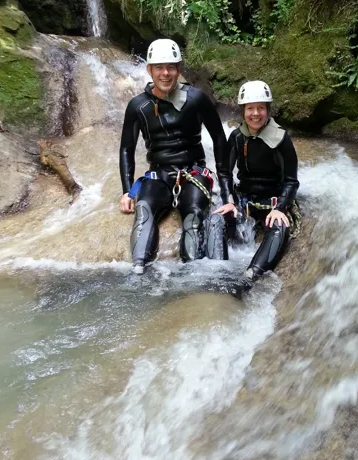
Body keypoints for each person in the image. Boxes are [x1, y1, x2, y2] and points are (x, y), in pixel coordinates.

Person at [119, 38, 232, 274]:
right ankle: (138, 272)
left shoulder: (196, 99)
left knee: (193, 216)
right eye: (159, 67)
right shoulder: (138, 106)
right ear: (149, 70)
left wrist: (226, 190)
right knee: (144, 210)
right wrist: (127, 190)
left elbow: (220, 138)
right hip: (158, 174)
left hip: (192, 173)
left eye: (171, 67)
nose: (165, 73)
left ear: (179, 69)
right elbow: (127, 148)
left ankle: (192, 277)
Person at [214, 80, 300, 280]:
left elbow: (291, 181)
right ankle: (215, 272)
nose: (255, 114)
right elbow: (225, 171)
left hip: (272, 200)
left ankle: (252, 274)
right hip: (244, 199)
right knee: (215, 220)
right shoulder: (237, 137)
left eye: (261, 108)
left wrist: (281, 207)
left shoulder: (281, 139)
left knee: (280, 226)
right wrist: (229, 200)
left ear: (268, 110)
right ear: (243, 110)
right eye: (250, 108)